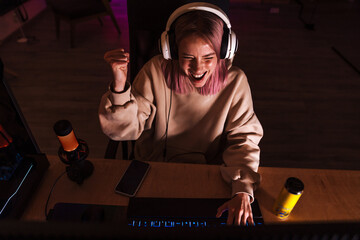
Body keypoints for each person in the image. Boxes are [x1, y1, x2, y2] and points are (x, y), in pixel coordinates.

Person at [99, 2, 263, 226]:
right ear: (171, 50)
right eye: (188, 57)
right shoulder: (154, 71)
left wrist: (242, 190)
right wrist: (119, 87)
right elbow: (122, 130)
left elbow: (244, 141)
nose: (197, 69)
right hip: (153, 171)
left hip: (207, 175)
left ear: (225, 51)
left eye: (208, 57)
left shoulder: (236, 83)